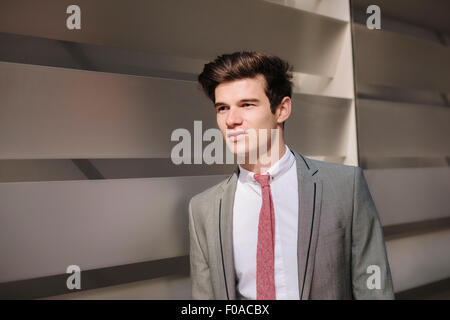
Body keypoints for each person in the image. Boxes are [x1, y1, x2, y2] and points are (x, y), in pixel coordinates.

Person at [188, 51, 394, 300]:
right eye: (222, 108)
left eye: (247, 105)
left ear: (282, 110)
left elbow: (374, 290)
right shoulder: (203, 209)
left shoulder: (345, 187)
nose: (231, 120)